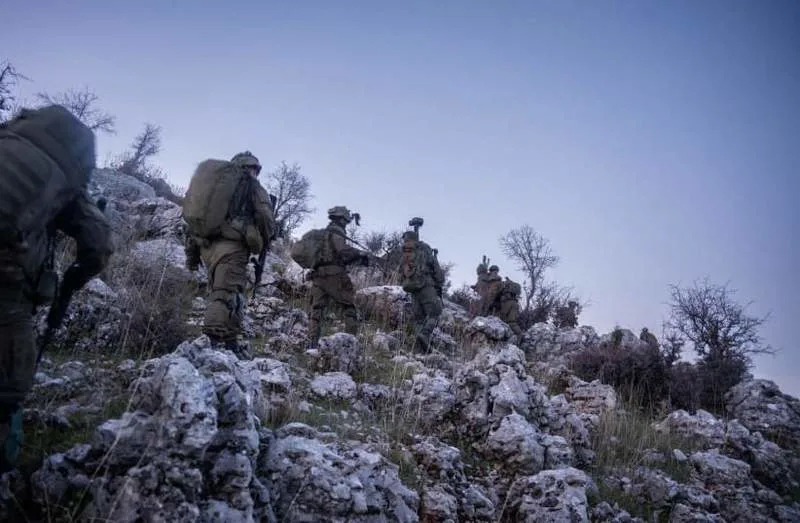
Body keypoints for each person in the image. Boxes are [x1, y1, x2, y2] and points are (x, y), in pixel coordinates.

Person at [0, 105, 113, 472]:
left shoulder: (8, 140)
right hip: (7, 290)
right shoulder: (65, 177)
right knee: (8, 386)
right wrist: (74, 280)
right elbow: (98, 244)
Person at [185, 151, 275, 356]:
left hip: (206, 247)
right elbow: (265, 216)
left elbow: (194, 220)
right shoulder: (251, 185)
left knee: (230, 291)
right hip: (232, 247)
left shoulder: (218, 186)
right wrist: (267, 236)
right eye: (255, 170)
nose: (255, 174)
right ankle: (211, 343)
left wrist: (192, 256)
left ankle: (230, 341)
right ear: (252, 168)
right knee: (225, 293)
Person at [307, 206, 370, 347]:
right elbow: (343, 251)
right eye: (346, 220)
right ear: (342, 219)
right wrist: (359, 254)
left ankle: (311, 344)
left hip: (318, 277)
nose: (347, 223)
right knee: (349, 308)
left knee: (316, 311)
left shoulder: (323, 234)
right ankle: (350, 344)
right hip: (334, 275)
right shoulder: (338, 233)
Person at [400, 230, 444, 352]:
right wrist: (439, 283)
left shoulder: (405, 252)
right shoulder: (425, 250)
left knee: (418, 318)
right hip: (426, 286)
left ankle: (420, 346)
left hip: (412, 287)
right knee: (434, 312)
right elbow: (438, 273)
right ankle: (425, 334)